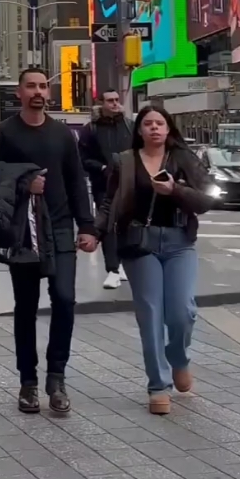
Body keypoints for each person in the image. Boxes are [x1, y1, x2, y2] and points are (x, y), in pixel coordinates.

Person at [0, 68, 94, 415]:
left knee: (65, 299)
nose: (38, 91)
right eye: (31, 86)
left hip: (59, 227)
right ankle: (27, 382)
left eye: (44, 86)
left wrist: (87, 226)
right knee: (26, 307)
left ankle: (56, 377)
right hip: (24, 230)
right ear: (20, 91)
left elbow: (76, 182)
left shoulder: (62, 135)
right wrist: (23, 183)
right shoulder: (2, 134)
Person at [93, 105, 211, 415]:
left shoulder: (184, 159)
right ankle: (158, 385)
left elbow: (207, 200)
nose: (155, 128)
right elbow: (110, 203)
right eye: (148, 123)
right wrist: (94, 231)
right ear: (140, 130)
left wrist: (176, 190)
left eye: (160, 123)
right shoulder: (125, 161)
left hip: (179, 242)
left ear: (169, 128)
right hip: (139, 242)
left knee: (183, 311)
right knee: (150, 314)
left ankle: (179, 358)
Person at [78, 91, 133, 290]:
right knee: (108, 226)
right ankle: (113, 269)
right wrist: (102, 168)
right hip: (104, 185)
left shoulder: (129, 126)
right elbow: (83, 159)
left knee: (128, 225)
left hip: (130, 184)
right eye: (110, 100)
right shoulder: (90, 130)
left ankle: (125, 264)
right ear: (100, 103)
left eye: (117, 100)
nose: (115, 104)